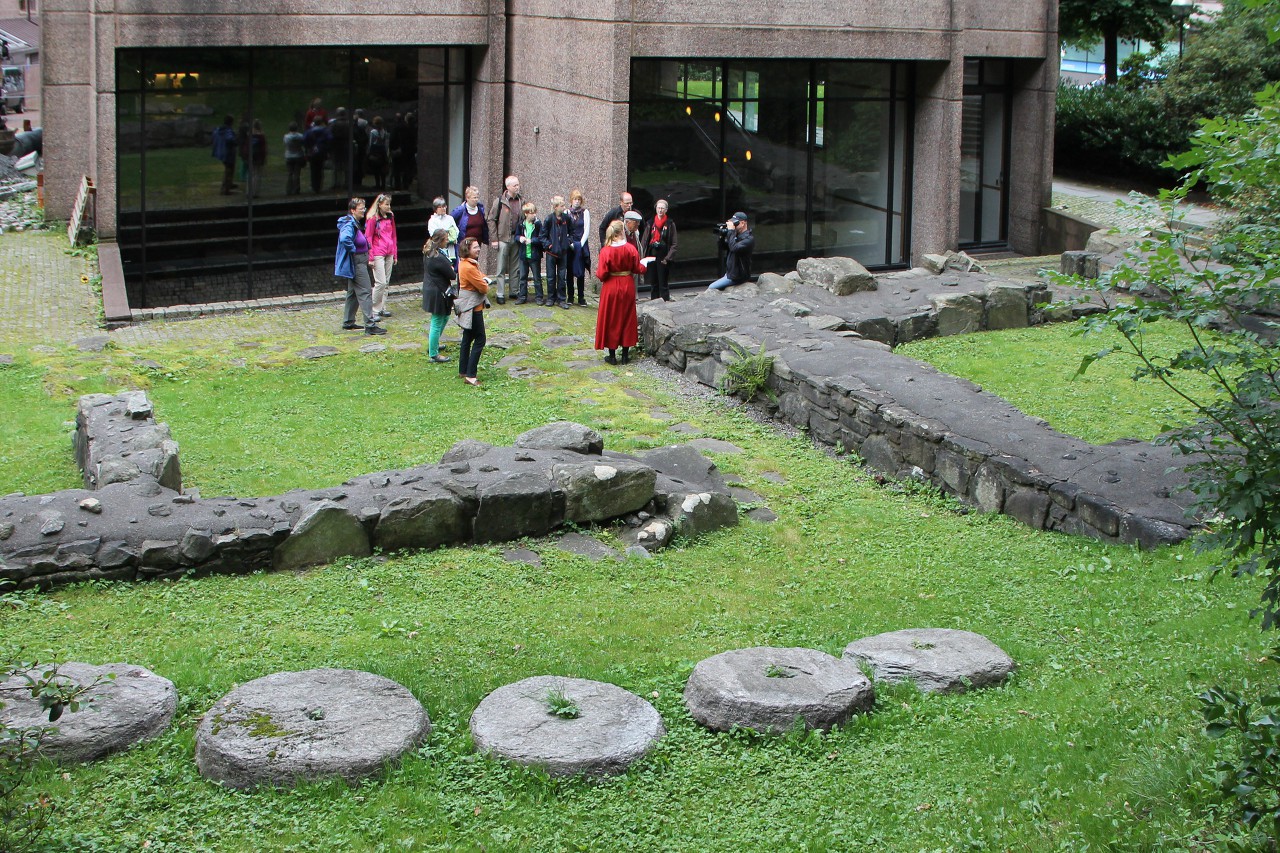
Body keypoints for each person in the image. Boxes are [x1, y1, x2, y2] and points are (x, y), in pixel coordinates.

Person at [594, 220, 652, 365]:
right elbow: (638, 269)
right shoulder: (630, 249)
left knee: (611, 317)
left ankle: (612, 355)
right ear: (622, 232)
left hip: (611, 287)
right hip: (627, 285)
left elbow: (601, 274)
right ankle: (625, 355)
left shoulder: (606, 251)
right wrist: (644, 263)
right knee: (627, 317)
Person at [336, 197, 385, 336]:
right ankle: (370, 325)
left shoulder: (354, 222)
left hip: (358, 260)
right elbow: (345, 238)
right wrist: (354, 250)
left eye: (364, 207)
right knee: (365, 292)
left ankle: (348, 321)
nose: (363, 210)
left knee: (353, 293)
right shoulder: (349, 224)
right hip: (357, 262)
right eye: (361, 208)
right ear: (352, 210)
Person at [455, 237, 489, 386]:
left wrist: (482, 279)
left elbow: (480, 277)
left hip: (469, 306)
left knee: (467, 338)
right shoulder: (468, 267)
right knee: (480, 339)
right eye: (475, 247)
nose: (478, 249)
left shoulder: (465, 264)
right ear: (467, 250)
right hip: (473, 308)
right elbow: (483, 287)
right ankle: (471, 375)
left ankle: (463, 369)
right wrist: (485, 282)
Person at [421, 229, 456, 363]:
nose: (447, 241)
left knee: (445, 317)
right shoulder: (438, 257)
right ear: (440, 240)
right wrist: (451, 268)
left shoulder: (429, 253)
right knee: (437, 321)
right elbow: (452, 275)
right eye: (446, 239)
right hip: (438, 292)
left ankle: (433, 344)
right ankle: (433, 353)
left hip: (432, 289)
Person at [488, 175, 522, 304]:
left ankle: (514, 291)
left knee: (515, 266)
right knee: (501, 267)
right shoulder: (500, 201)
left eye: (518, 185)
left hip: (516, 237)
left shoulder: (520, 201)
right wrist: (494, 238)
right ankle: (500, 293)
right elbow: (491, 219)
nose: (517, 187)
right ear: (508, 187)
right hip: (502, 238)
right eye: (515, 185)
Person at [365, 193, 398, 321]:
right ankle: (373, 309)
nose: (388, 207)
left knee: (387, 283)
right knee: (381, 282)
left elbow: (394, 235)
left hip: (389, 251)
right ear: (379, 205)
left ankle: (382, 307)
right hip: (378, 252)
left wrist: (395, 253)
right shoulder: (373, 219)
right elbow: (368, 237)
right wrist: (371, 256)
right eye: (386, 204)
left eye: (389, 204)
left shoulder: (390, 217)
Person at [708, 211, 755, 291]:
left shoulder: (748, 239)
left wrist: (731, 232)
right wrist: (722, 236)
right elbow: (723, 247)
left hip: (738, 275)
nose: (734, 226)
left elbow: (734, 248)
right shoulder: (736, 235)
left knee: (711, 288)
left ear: (743, 223)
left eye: (735, 224)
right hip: (731, 273)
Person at [642, 199, 678, 301]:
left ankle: (665, 302)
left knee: (663, 283)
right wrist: (642, 256)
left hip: (664, 257)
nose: (660, 210)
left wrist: (668, 258)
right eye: (658, 208)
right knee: (654, 283)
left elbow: (674, 244)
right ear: (656, 208)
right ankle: (654, 303)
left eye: (662, 208)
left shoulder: (670, 224)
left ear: (666, 210)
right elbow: (644, 241)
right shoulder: (650, 223)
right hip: (652, 256)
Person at [542, 195, 573, 310]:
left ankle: (561, 299)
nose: (564, 207)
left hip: (563, 252)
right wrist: (549, 245)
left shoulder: (567, 218)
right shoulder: (549, 219)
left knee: (561, 277)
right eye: (562, 205)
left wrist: (568, 242)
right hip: (551, 253)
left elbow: (572, 232)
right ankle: (550, 298)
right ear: (555, 207)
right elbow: (543, 235)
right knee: (550, 277)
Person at [514, 201, 544, 305]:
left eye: (534, 212)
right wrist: (520, 238)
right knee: (523, 277)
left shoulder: (538, 224)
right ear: (526, 213)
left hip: (534, 255)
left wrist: (532, 241)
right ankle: (522, 296)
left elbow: (541, 238)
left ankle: (539, 297)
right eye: (531, 213)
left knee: (537, 277)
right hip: (523, 254)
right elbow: (516, 236)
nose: (534, 215)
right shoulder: (521, 224)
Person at [450, 186, 488, 268]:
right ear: (467, 198)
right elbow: (450, 221)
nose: (476, 200)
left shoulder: (480, 209)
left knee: (474, 265)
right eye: (474, 198)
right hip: (465, 245)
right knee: (464, 266)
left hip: (477, 243)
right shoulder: (460, 210)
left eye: (477, 197)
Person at [566, 188, 592, 306]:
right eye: (575, 199)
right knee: (570, 271)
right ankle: (570, 296)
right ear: (571, 200)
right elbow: (565, 229)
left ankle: (581, 297)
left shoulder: (585, 212)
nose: (577, 202)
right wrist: (570, 243)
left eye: (579, 199)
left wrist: (580, 244)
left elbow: (586, 229)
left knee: (581, 271)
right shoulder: (567, 212)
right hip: (570, 244)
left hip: (581, 245)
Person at [427, 196, 459, 263]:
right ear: (435, 209)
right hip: (438, 249)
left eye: (444, 206)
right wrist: (447, 233)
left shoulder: (450, 218)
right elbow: (434, 235)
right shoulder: (432, 221)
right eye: (440, 207)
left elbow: (456, 232)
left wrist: (450, 237)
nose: (443, 209)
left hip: (451, 249)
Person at [210, 115, 237, 196]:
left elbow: (214, 137)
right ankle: (225, 189)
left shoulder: (218, 130)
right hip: (228, 153)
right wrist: (237, 139)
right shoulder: (228, 131)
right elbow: (230, 139)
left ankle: (228, 185)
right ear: (231, 122)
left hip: (221, 152)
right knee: (229, 171)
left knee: (228, 169)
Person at [303, 118, 330, 194]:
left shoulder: (309, 131)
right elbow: (330, 139)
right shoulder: (325, 131)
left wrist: (308, 147)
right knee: (320, 169)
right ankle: (319, 185)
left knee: (313, 169)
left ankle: (314, 186)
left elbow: (304, 140)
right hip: (322, 152)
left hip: (312, 152)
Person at [365, 115, 388, 191]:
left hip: (375, 151)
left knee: (376, 168)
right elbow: (385, 144)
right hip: (383, 151)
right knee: (383, 168)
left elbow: (371, 143)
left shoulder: (373, 132)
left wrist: (369, 152)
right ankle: (383, 184)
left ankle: (377, 184)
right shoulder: (384, 131)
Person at [282, 122, 305, 195]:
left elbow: (285, 144)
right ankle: (296, 189)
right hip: (298, 155)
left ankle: (289, 189)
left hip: (289, 156)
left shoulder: (286, 137)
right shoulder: (301, 136)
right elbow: (303, 144)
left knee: (290, 173)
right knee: (297, 174)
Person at [247, 119, 267, 199]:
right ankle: (255, 192)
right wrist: (264, 157)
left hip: (250, 156)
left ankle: (248, 191)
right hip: (258, 157)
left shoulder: (249, 135)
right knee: (257, 174)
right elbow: (263, 148)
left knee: (250, 174)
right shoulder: (261, 136)